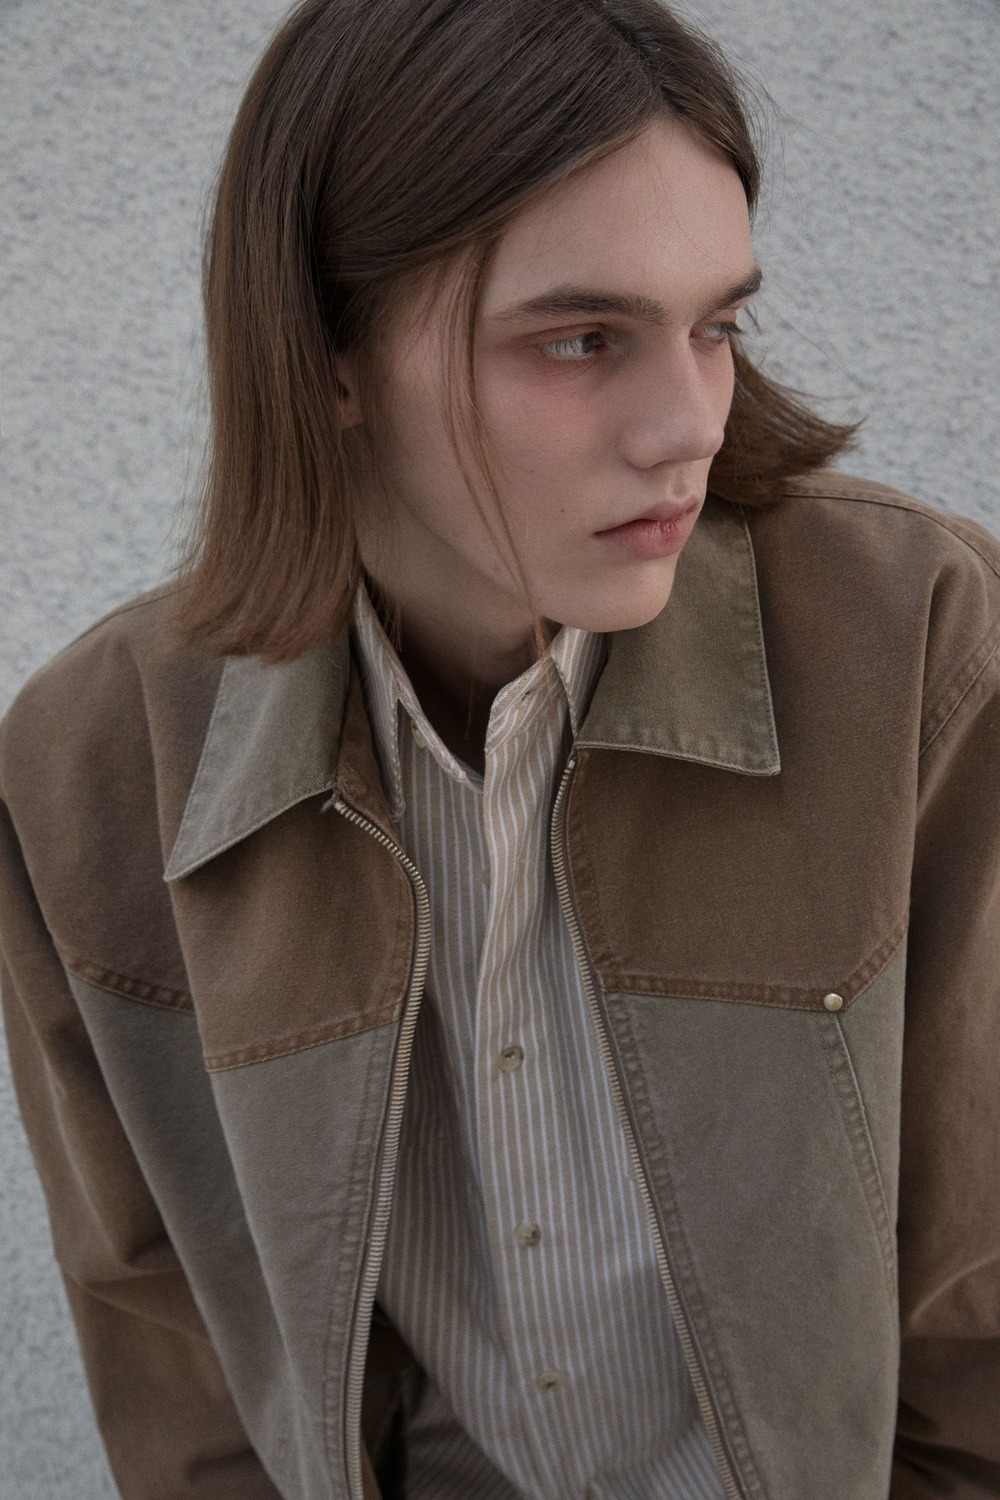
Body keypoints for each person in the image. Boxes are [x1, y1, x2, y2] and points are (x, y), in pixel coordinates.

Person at [0, 0, 997, 1496]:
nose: (688, 424)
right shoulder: (92, 772)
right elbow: (173, 1345)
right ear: (328, 357)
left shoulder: (917, 643)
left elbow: (978, 1308)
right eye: (582, 340)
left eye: (716, 326)